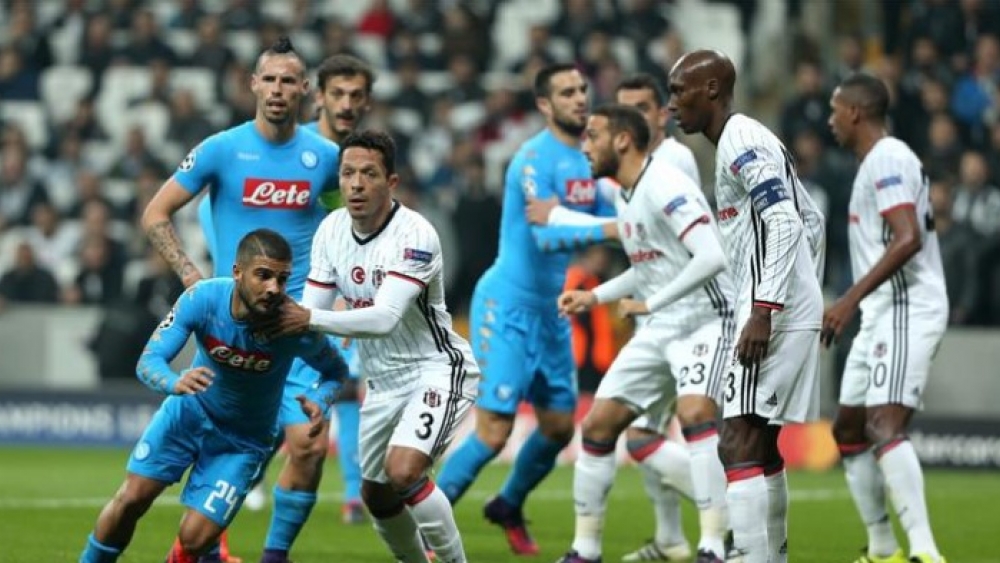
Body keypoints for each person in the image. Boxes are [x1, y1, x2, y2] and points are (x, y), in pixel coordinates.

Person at [142, 37, 341, 563]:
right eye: (269, 79)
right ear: (253, 84)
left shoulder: (325, 160)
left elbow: (345, 229)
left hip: (295, 326)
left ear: (304, 90)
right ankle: (209, 547)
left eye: (288, 81)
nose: (278, 90)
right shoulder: (220, 150)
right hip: (232, 322)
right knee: (230, 434)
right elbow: (155, 212)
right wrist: (190, 274)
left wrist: (340, 295)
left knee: (309, 444)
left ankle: (270, 555)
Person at [526, 73, 730, 562]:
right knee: (598, 426)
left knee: (696, 415)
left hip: (705, 319)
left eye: (593, 137)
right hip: (659, 326)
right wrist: (595, 298)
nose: (585, 148)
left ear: (622, 139)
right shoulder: (626, 192)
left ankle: (713, 546)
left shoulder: (666, 182)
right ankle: (585, 550)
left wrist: (653, 303)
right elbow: (648, 266)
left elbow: (711, 256)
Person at [264, 130, 479, 563]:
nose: (356, 184)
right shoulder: (331, 230)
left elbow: (383, 319)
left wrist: (313, 319)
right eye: (348, 174)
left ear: (391, 182)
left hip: (436, 368)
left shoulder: (416, 235)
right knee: (376, 494)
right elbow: (312, 312)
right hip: (382, 381)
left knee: (404, 471)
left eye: (368, 173)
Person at [78, 229, 348, 563]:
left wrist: (320, 401)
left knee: (195, 539)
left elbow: (337, 371)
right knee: (132, 498)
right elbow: (149, 361)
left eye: (282, 279)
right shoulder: (203, 299)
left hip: (243, 441)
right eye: (263, 276)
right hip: (187, 415)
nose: (273, 288)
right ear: (237, 271)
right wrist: (173, 382)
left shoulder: (293, 326)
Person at [435, 62, 617, 556]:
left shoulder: (592, 157)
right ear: (544, 104)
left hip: (554, 311)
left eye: (583, 88)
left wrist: (612, 226)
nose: (580, 97)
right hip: (508, 304)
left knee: (559, 428)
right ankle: (431, 527)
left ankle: (508, 502)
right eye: (567, 91)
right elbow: (545, 233)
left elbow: (609, 219)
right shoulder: (531, 161)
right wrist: (610, 228)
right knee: (494, 431)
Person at [201, 52, 376, 526]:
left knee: (333, 402)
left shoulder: (350, 165)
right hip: (255, 306)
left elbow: (354, 232)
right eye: (337, 94)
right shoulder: (300, 154)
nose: (346, 105)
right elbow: (219, 204)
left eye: (356, 96)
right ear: (316, 96)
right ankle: (239, 487)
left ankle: (354, 495)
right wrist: (223, 274)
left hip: (317, 306)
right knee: (269, 418)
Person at [667, 50, 825, 563]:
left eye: (679, 91)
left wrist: (766, 308)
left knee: (734, 441)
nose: (673, 105)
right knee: (758, 444)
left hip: (769, 313)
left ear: (711, 89)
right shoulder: (749, 139)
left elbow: (785, 222)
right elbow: (812, 218)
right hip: (782, 306)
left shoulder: (740, 140)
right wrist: (804, 292)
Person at [825, 73, 949, 563]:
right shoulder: (874, 164)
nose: (831, 120)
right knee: (849, 429)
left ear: (855, 112)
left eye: (836, 110)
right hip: (882, 311)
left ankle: (924, 552)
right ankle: (881, 548)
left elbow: (907, 237)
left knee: (882, 423)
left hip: (905, 305)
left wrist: (848, 298)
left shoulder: (888, 158)